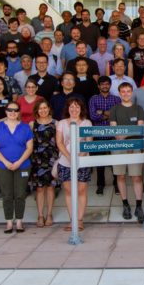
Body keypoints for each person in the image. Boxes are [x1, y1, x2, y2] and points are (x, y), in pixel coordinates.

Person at [0, 102, 34, 233]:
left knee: (20, 194)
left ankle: (19, 221)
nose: (12, 112)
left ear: (19, 112)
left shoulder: (25, 128)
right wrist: (6, 162)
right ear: (5, 111)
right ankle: (9, 222)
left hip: (23, 165)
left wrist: (19, 162)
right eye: (10, 110)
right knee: (7, 194)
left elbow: (29, 148)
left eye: (15, 110)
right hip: (3, 166)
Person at [109, 83, 144, 222]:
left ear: (132, 93)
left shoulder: (138, 109)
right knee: (120, 176)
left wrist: (125, 135)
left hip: (135, 146)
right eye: (123, 91)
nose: (126, 94)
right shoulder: (114, 109)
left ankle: (139, 206)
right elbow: (114, 130)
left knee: (136, 176)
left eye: (128, 91)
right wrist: (125, 135)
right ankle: (125, 204)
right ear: (119, 93)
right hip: (118, 146)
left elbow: (140, 128)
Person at [56, 97, 93, 231]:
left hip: (82, 161)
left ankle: (80, 220)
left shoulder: (87, 123)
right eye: (71, 106)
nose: (74, 109)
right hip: (65, 161)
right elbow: (59, 142)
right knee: (68, 190)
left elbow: (89, 142)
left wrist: (79, 157)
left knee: (81, 190)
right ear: (68, 108)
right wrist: (70, 157)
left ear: (81, 109)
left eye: (77, 106)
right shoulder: (61, 123)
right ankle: (72, 220)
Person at [29, 100, 59, 227]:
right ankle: (40, 215)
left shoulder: (56, 123)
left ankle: (49, 214)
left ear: (49, 109)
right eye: (40, 108)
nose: (43, 110)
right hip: (37, 159)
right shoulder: (32, 124)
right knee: (40, 188)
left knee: (51, 187)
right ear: (37, 110)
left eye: (45, 108)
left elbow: (59, 142)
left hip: (52, 158)